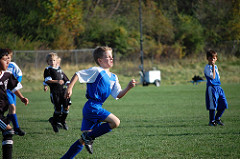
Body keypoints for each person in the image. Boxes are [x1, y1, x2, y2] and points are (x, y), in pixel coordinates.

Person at [61, 46, 136, 158]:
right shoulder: (97, 71)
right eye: (108, 57)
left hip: (94, 107)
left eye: (112, 56)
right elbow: (78, 74)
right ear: (100, 60)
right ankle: (89, 137)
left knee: (82, 139)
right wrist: (69, 88)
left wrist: (128, 87)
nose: (111, 59)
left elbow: (118, 95)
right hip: (92, 106)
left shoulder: (114, 77)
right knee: (115, 122)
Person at [0, 48, 29, 159]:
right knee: (8, 130)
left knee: (8, 131)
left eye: (8, 59)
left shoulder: (7, 75)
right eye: (4, 59)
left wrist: (21, 97)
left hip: (2, 112)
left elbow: (13, 87)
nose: (8, 62)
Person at [43, 52, 71, 133]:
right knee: (58, 109)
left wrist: (69, 84)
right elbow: (47, 80)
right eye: (50, 60)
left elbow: (65, 79)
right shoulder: (48, 70)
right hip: (55, 93)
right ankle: (54, 122)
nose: (52, 62)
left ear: (56, 61)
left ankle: (62, 121)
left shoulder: (59, 69)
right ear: (47, 62)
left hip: (63, 91)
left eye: (54, 60)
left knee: (66, 107)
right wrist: (57, 81)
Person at [204, 50, 228, 126]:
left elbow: (218, 77)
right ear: (207, 58)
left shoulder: (216, 67)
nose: (212, 60)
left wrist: (214, 66)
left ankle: (217, 118)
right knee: (213, 105)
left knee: (224, 104)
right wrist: (213, 66)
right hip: (212, 88)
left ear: (216, 58)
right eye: (210, 58)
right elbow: (213, 77)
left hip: (218, 87)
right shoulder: (207, 67)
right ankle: (212, 121)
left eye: (214, 58)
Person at [6, 49, 26, 136]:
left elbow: (19, 74)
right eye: (5, 58)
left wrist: (16, 83)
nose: (7, 60)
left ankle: (6, 125)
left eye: (9, 58)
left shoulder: (12, 65)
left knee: (12, 110)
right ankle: (16, 128)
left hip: (13, 90)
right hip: (5, 91)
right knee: (12, 107)